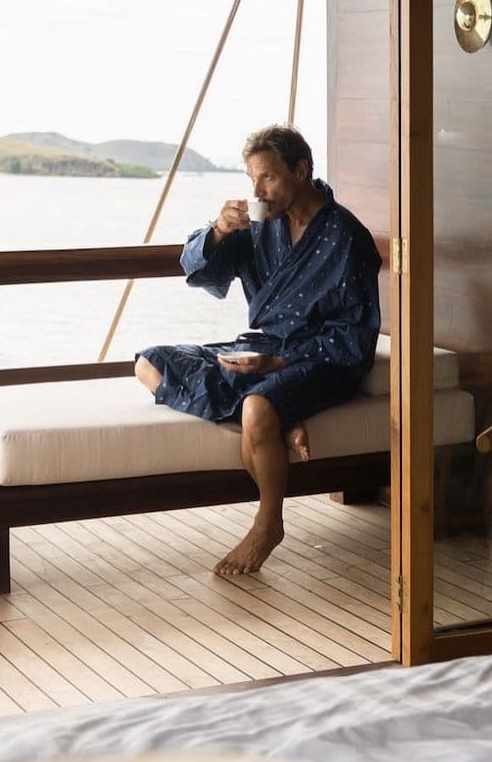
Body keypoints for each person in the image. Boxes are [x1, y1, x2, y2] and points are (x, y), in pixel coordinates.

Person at [134, 124, 381, 578]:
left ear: (301, 170)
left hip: (320, 359)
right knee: (149, 362)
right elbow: (202, 273)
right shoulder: (261, 224)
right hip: (263, 349)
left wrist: (282, 363)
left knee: (256, 407)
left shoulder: (347, 237)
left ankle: (269, 522)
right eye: (251, 179)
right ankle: (283, 422)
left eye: (266, 177)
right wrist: (218, 230)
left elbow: (356, 337)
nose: (257, 189)